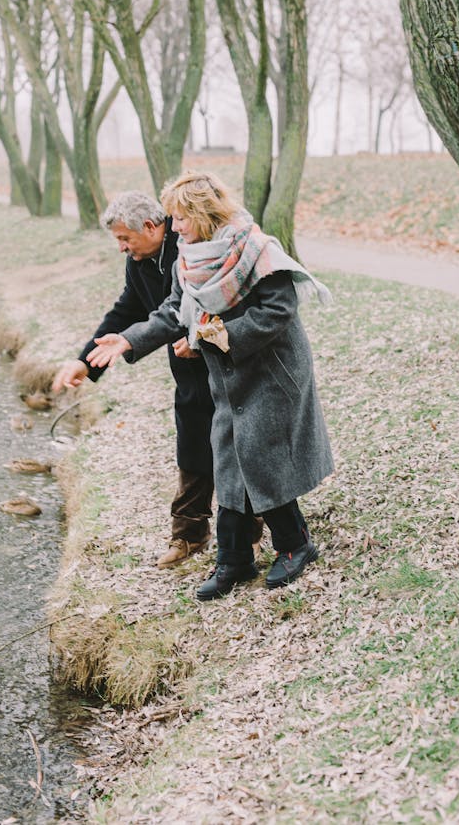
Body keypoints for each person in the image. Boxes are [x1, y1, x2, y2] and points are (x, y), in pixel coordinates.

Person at [86, 170, 334, 602]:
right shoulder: (191, 256)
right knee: (228, 458)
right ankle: (234, 561)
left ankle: (296, 545)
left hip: (270, 372)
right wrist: (129, 338)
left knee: (260, 456)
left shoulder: (257, 250)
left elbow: (278, 311)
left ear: (201, 213)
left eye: (180, 218)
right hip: (227, 377)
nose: (174, 227)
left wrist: (215, 336)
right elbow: (173, 310)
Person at [52, 192, 218, 568]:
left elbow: (212, 303)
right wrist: (86, 363)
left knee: (236, 449)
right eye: (117, 240)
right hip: (188, 372)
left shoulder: (190, 246)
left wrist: (198, 339)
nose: (122, 248)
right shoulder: (140, 261)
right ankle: (189, 535)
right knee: (192, 445)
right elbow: (127, 309)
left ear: (151, 226)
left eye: (125, 238)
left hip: (226, 363)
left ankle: (250, 534)